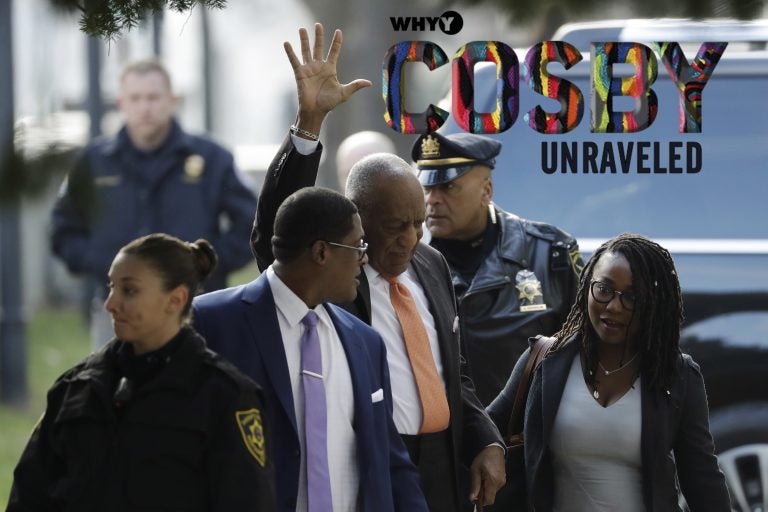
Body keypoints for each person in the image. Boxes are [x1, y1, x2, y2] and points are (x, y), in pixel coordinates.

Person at [251, 23, 506, 510]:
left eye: (417, 223)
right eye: (394, 226)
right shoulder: (329, 278)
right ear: (358, 220)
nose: (409, 239)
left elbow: (455, 373)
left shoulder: (430, 264)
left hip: (444, 466)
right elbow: (275, 232)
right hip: (369, 462)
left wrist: (485, 438)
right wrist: (309, 124)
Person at [193, 187, 428, 511]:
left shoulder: (365, 341)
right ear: (321, 252)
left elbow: (390, 460)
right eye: (358, 246)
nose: (364, 258)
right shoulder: (211, 321)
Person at [7, 233, 275, 511]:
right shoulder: (76, 388)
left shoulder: (225, 397)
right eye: (111, 287)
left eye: (129, 290)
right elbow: (28, 496)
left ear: (176, 299)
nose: (110, 303)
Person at [486, 233, 731, 511]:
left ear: (654, 302)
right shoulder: (545, 361)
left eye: (632, 296)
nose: (614, 306)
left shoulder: (678, 376)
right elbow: (485, 429)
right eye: (603, 289)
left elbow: (703, 480)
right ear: (587, 287)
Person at [51, 59, 257, 350]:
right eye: (135, 98)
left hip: (196, 310)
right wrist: (98, 260)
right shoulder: (94, 162)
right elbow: (64, 228)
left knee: (200, 393)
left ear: (172, 101)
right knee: (117, 394)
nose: (144, 107)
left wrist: (206, 265)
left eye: (153, 97)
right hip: (118, 312)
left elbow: (252, 224)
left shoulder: (212, 159)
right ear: (121, 103)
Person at [411, 131, 584, 407]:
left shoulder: (549, 253)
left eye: (449, 187)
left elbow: (585, 350)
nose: (433, 200)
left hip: (522, 435)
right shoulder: (407, 260)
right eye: (428, 189)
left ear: (486, 191)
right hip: (441, 437)